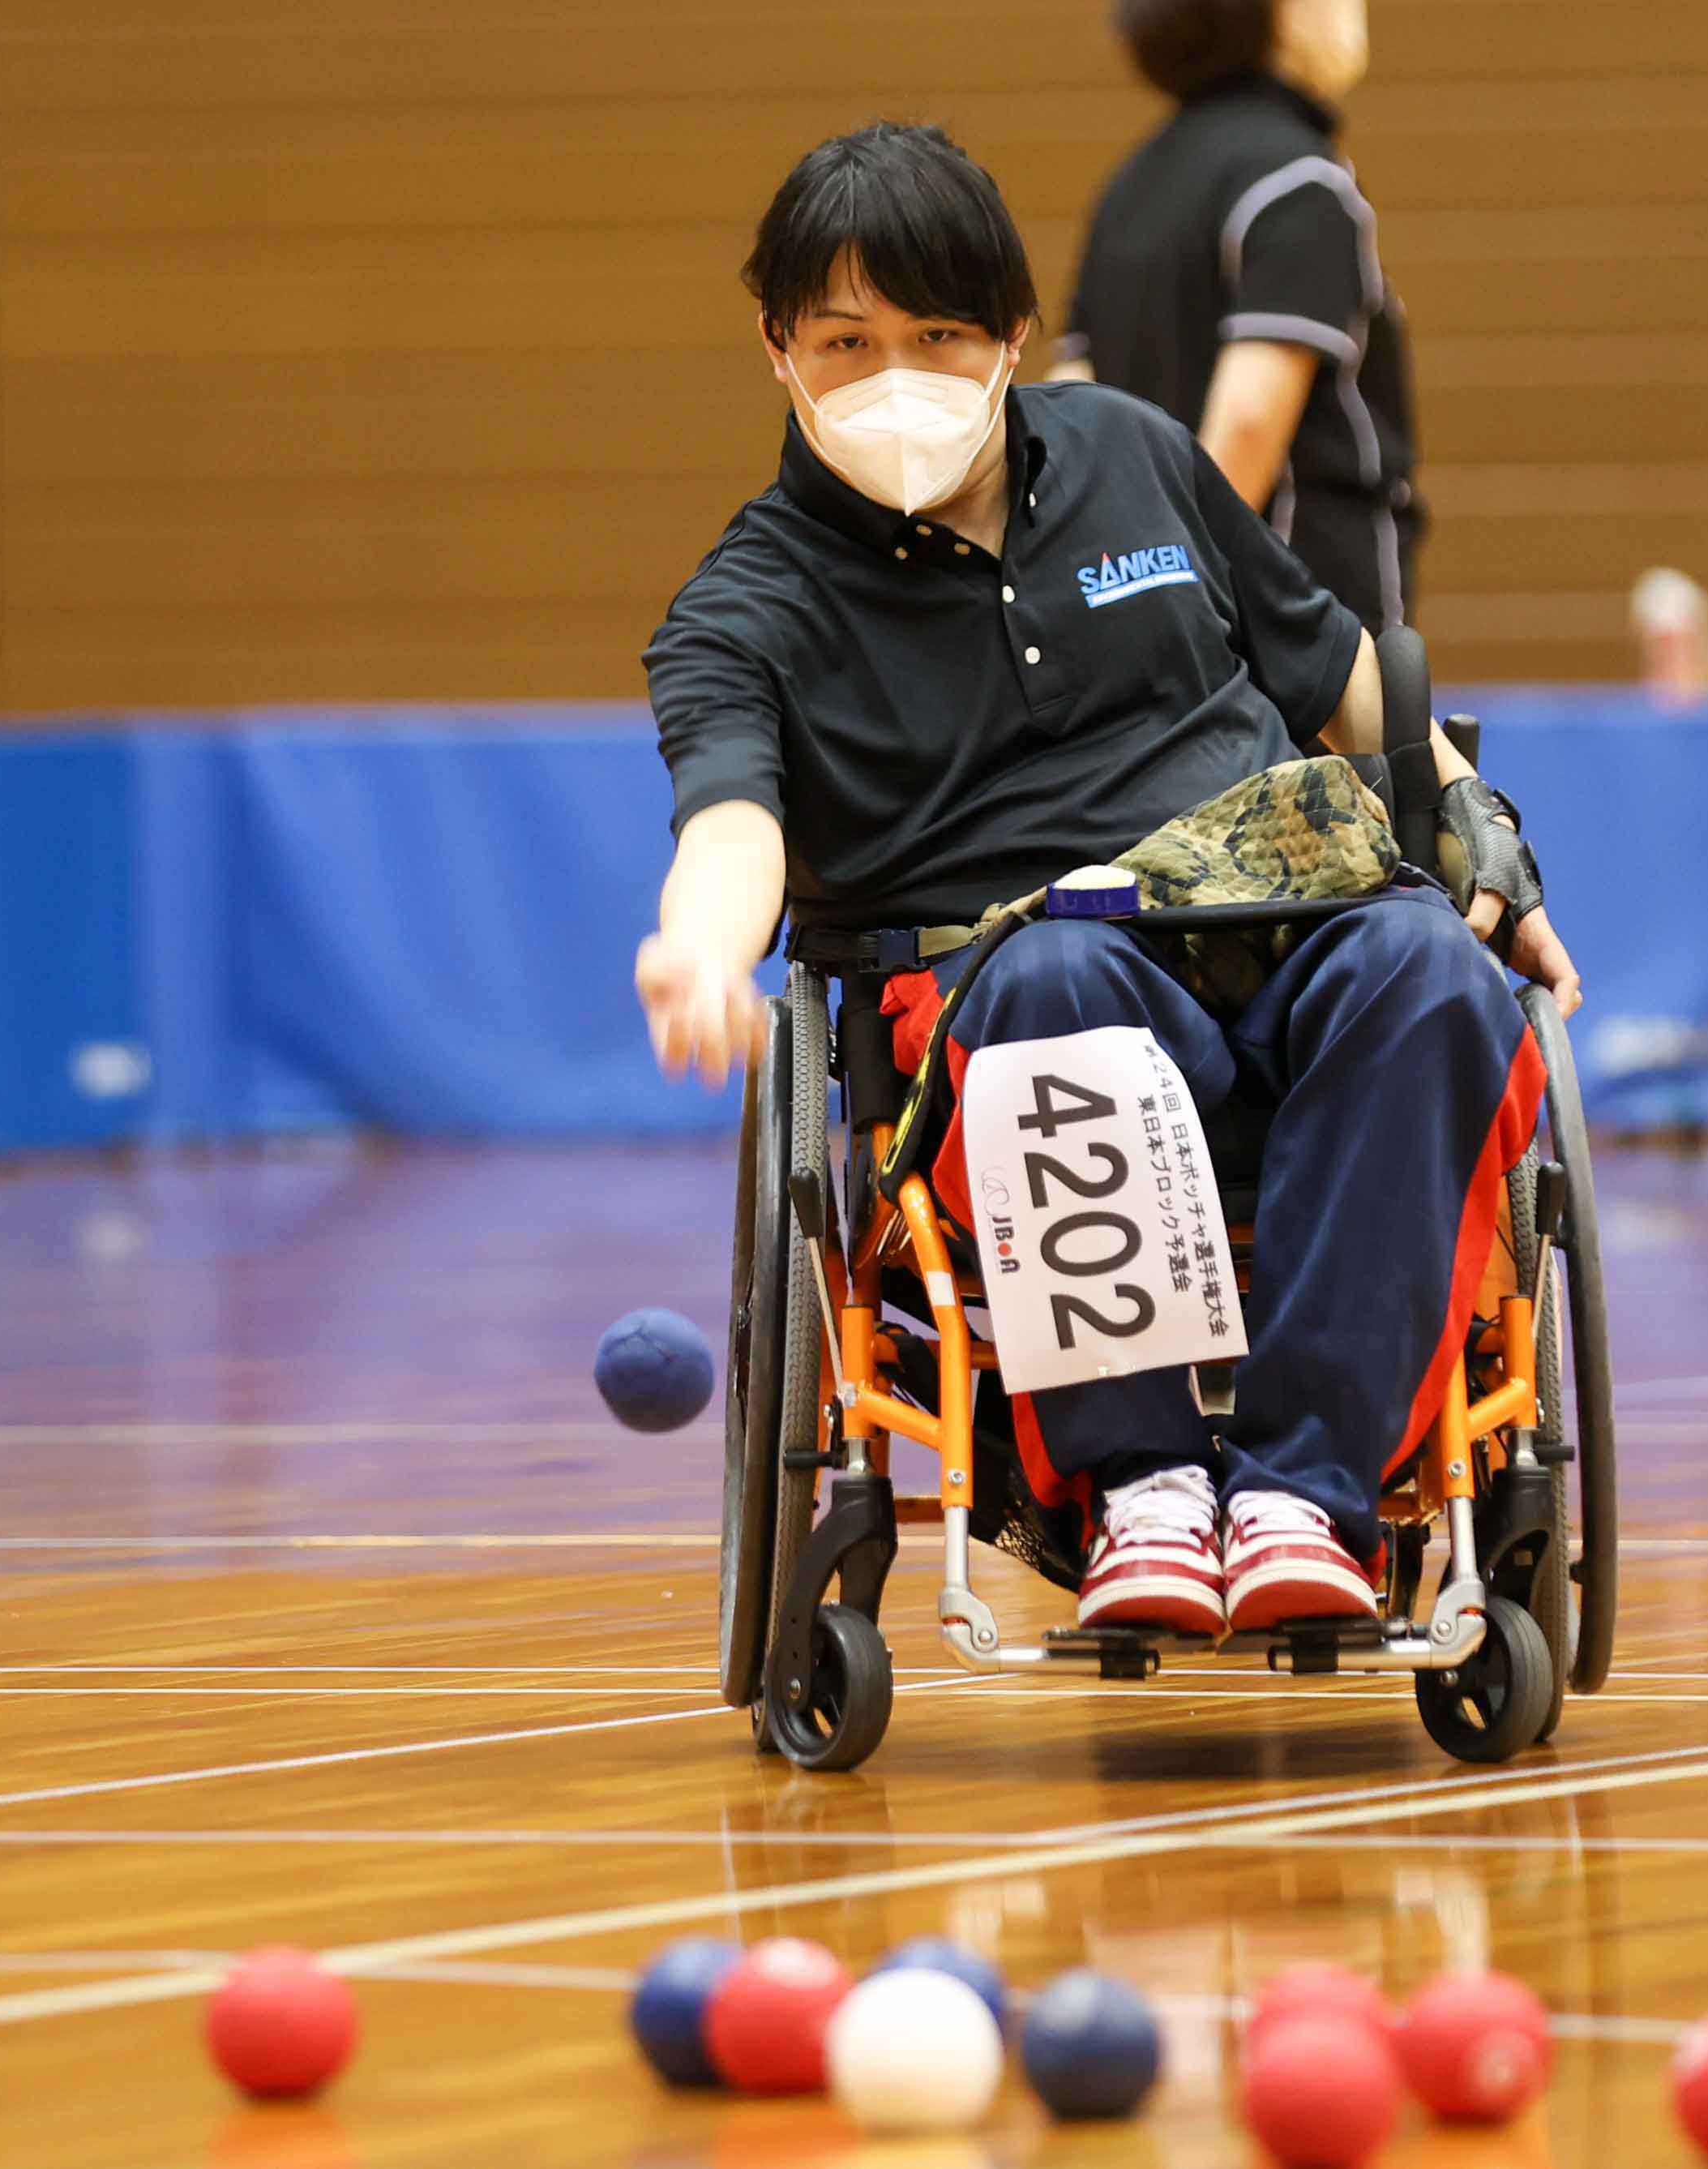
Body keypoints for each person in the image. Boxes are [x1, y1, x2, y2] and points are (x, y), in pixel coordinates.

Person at [636, 123, 1579, 1640]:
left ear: (1013, 335)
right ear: (777, 354)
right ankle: (1141, 1486)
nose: (897, 376)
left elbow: (1342, 675)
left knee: (1427, 969)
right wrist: (697, 947)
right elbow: (732, 820)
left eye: (938, 336)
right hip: (1018, 990)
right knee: (1057, 977)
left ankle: (1303, 1495)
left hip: (1284, 918)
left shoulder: (1136, 453)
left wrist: (1487, 839)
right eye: (846, 341)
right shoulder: (745, 606)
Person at [1053, 0, 1420, 632]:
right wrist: (1176, 600)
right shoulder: (1300, 181)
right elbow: (1248, 427)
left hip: (1165, 650)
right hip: (1297, 653)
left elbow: (1070, 416)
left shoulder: (1124, 193)